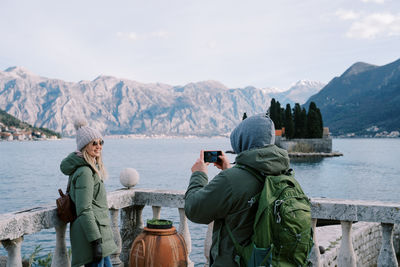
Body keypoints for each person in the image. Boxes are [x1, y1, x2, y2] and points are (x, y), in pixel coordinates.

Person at [184, 114, 290, 266]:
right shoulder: (282, 172)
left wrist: (199, 174)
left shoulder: (231, 180)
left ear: (242, 141)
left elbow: (194, 209)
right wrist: (229, 169)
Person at [60, 119, 117, 267]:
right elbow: (84, 209)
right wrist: (95, 241)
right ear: (84, 146)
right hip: (92, 236)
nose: (99, 146)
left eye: (100, 142)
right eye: (94, 143)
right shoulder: (85, 172)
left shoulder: (90, 168)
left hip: (98, 234)